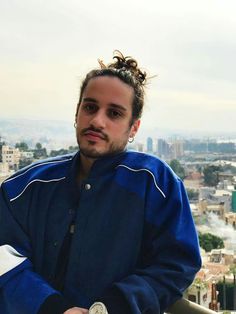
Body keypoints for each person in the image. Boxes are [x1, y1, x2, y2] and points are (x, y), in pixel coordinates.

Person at [0, 51, 201, 314]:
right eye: (90, 107)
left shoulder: (155, 184)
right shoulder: (24, 188)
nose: (97, 120)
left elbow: (177, 264)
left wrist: (109, 307)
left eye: (114, 113)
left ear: (134, 128)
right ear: (77, 112)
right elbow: (4, 256)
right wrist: (52, 307)